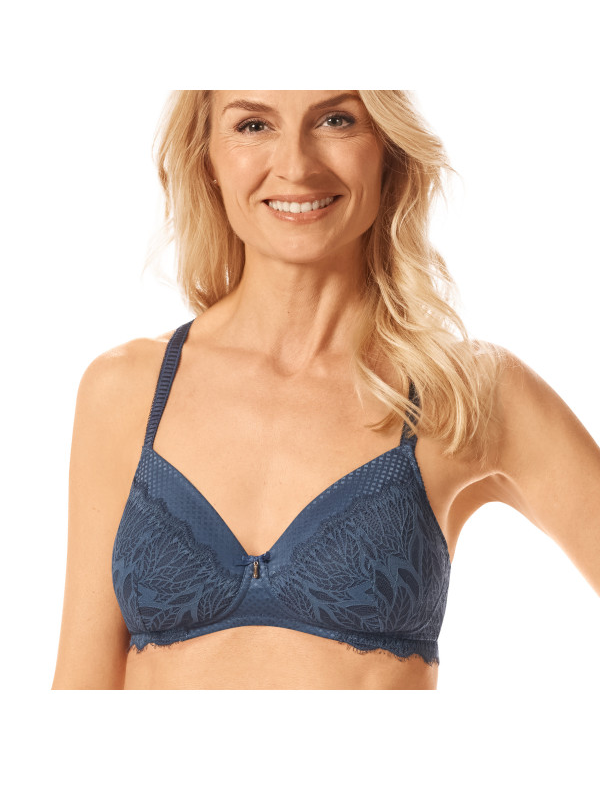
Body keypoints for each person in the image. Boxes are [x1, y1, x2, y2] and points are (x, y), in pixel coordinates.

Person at [51, 90, 600, 690]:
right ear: (206, 156)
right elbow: (80, 688)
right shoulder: (125, 389)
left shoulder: (465, 394)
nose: (296, 165)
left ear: (387, 149)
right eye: (253, 125)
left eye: (337, 120)